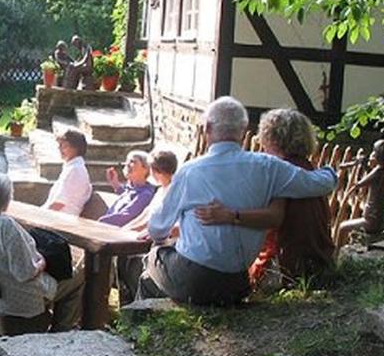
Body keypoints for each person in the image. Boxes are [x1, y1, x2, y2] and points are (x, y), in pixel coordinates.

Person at [142, 97, 337, 306]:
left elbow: (156, 228)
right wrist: (329, 171)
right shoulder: (269, 167)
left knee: (153, 258)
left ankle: (135, 328)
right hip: (237, 283)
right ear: (244, 130)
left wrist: (167, 237)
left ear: (207, 128)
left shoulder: (190, 171)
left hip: (198, 281)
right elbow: (321, 183)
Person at [194, 108, 335, 286]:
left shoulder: (281, 172)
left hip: (289, 269)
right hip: (320, 263)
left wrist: (230, 215)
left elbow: (273, 218)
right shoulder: (307, 169)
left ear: (272, 138)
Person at [0, 173, 84, 330]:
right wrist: (42, 263)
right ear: (3, 199)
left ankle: (60, 330)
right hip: (18, 302)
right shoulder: (5, 226)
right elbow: (25, 273)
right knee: (80, 274)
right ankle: (61, 331)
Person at [117, 147, 177, 304]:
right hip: (149, 236)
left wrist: (142, 231)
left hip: (163, 242)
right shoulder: (160, 190)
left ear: (156, 170)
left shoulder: (174, 191)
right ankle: (124, 296)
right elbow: (145, 215)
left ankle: (133, 299)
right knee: (120, 255)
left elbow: (164, 223)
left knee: (133, 259)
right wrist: (125, 229)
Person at [336, 139, 384, 248]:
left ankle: (336, 254)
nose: (372, 154)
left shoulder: (378, 171)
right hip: (383, 220)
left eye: (374, 152)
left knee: (342, 227)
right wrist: (366, 166)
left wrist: (359, 165)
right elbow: (374, 179)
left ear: (380, 156)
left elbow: (359, 184)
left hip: (371, 220)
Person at [42, 129, 92, 215]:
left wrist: (39, 215)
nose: (59, 149)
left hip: (61, 221)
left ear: (76, 148)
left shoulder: (75, 170)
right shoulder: (71, 167)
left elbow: (59, 204)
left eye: (64, 146)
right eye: (59, 145)